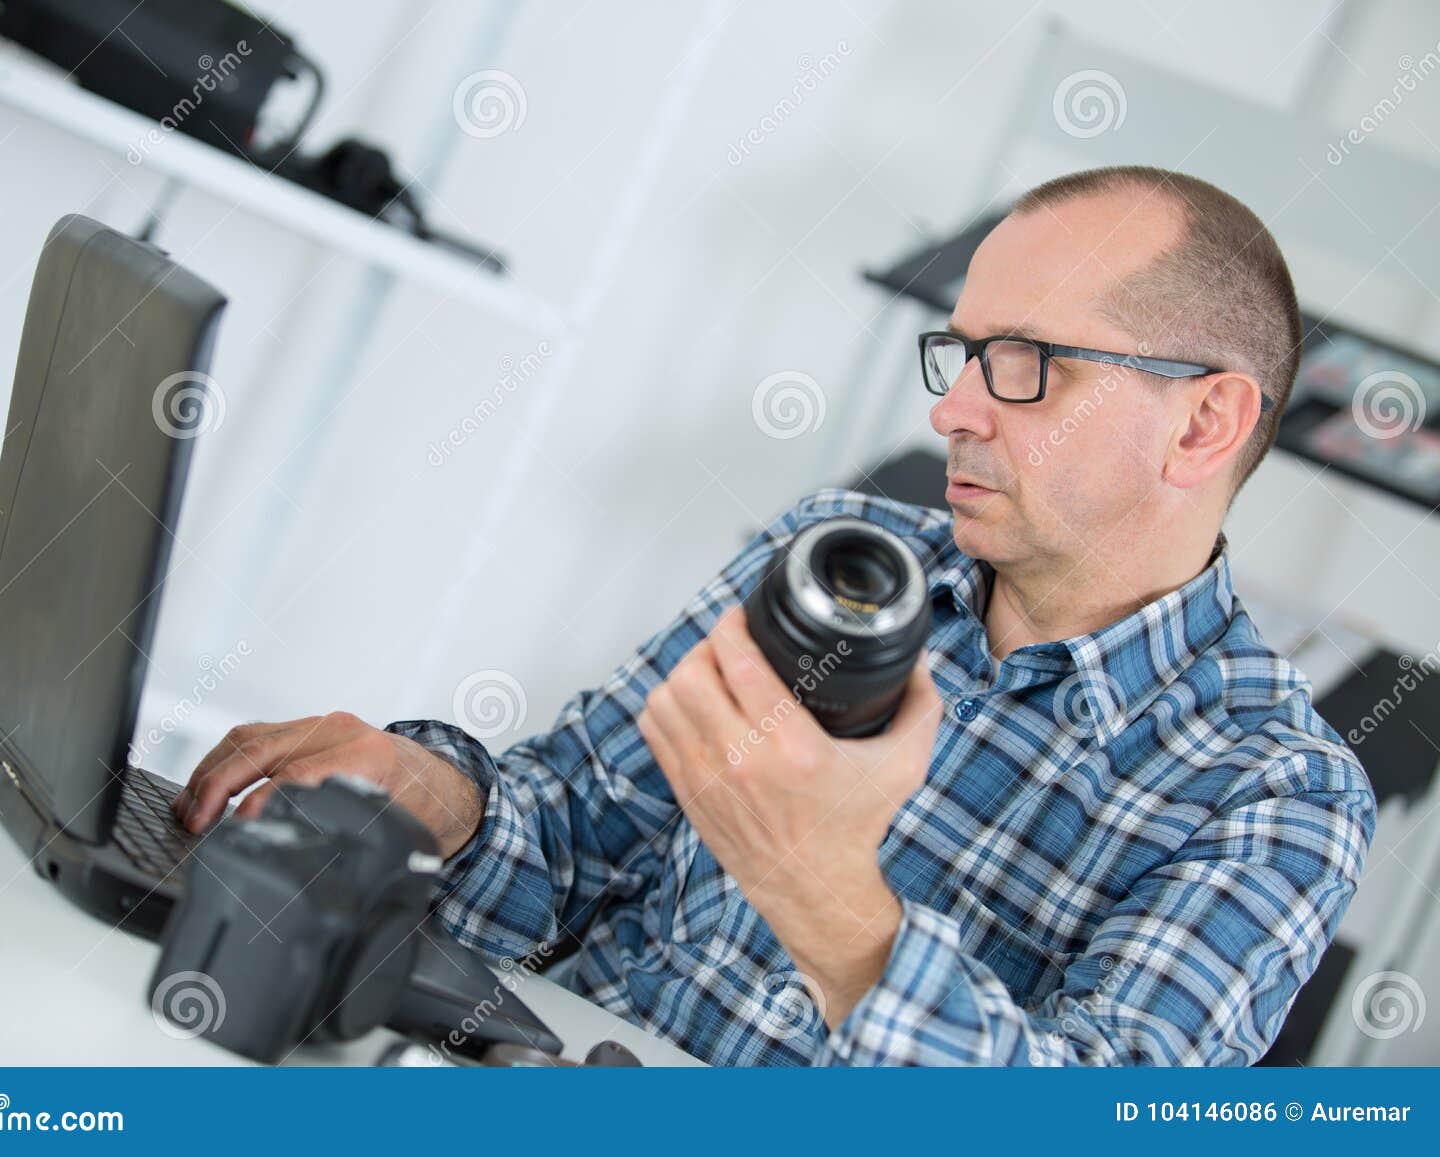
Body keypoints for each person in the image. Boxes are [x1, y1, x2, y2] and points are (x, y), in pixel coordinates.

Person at [174, 165, 1375, 1066]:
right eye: (956, 355)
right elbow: (571, 842)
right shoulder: (839, 552)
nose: (956, 407)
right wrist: (430, 795)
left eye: (1023, 362)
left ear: (1203, 423)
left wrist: (827, 895)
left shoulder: (1278, 794)